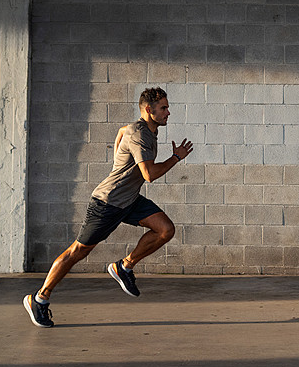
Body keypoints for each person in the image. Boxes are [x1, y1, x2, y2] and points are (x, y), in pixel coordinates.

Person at [23, 87, 193, 328]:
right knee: (77, 252)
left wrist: (118, 164)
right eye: (163, 108)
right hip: (108, 203)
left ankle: (124, 267)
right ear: (148, 110)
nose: (168, 112)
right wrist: (176, 158)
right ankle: (39, 298)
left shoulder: (141, 129)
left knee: (165, 229)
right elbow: (149, 175)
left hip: (130, 200)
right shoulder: (139, 134)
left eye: (167, 107)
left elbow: (121, 131)